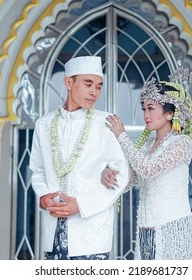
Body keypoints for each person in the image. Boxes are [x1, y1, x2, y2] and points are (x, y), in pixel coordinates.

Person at [29, 56, 130, 260]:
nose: (94, 92)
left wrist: (81, 205)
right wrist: (43, 197)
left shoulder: (105, 123)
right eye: (88, 84)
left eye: (99, 86)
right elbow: (38, 169)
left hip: (92, 232)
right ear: (69, 82)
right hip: (53, 230)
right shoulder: (44, 124)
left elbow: (122, 174)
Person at [102, 68, 192, 260]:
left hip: (173, 228)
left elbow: (147, 169)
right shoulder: (146, 147)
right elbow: (129, 181)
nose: (146, 114)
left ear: (170, 114)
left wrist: (122, 136)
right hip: (146, 229)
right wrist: (109, 175)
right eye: (144, 109)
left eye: (151, 108)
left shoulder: (181, 143)